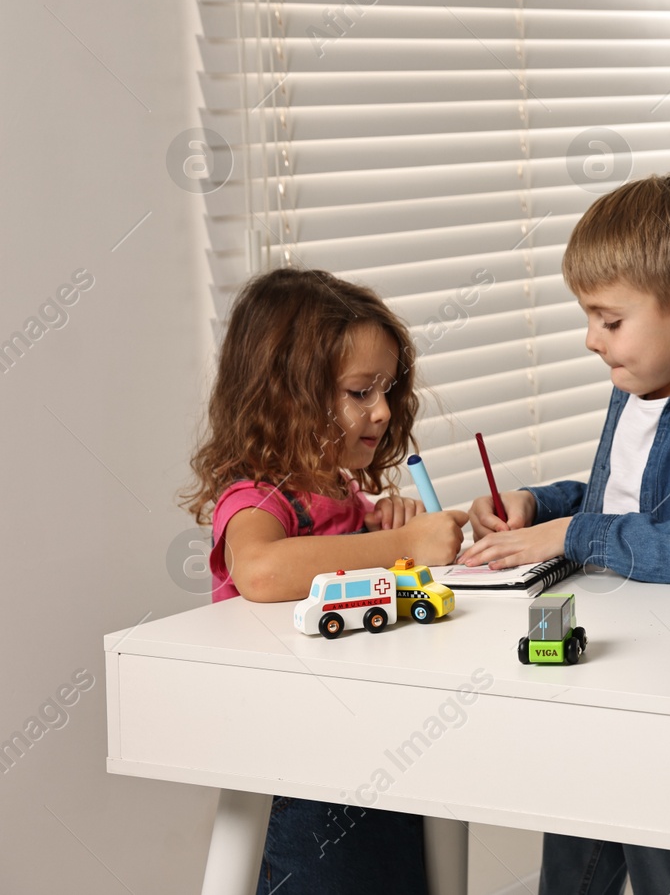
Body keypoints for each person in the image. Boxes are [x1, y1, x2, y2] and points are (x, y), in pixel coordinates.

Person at [463, 172, 670, 895]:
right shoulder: (639, 380)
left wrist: (575, 536)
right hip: (613, 653)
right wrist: (540, 506)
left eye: (609, 320)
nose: (591, 339)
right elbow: (627, 498)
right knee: (577, 835)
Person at [184, 266, 469, 895]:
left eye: (387, 390)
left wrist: (384, 524)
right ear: (289, 399)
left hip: (373, 746)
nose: (384, 411)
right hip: (302, 771)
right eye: (361, 392)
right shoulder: (258, 500)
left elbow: (357, 565)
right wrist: (399, 544)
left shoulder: (341, 494)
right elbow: (260, 571)